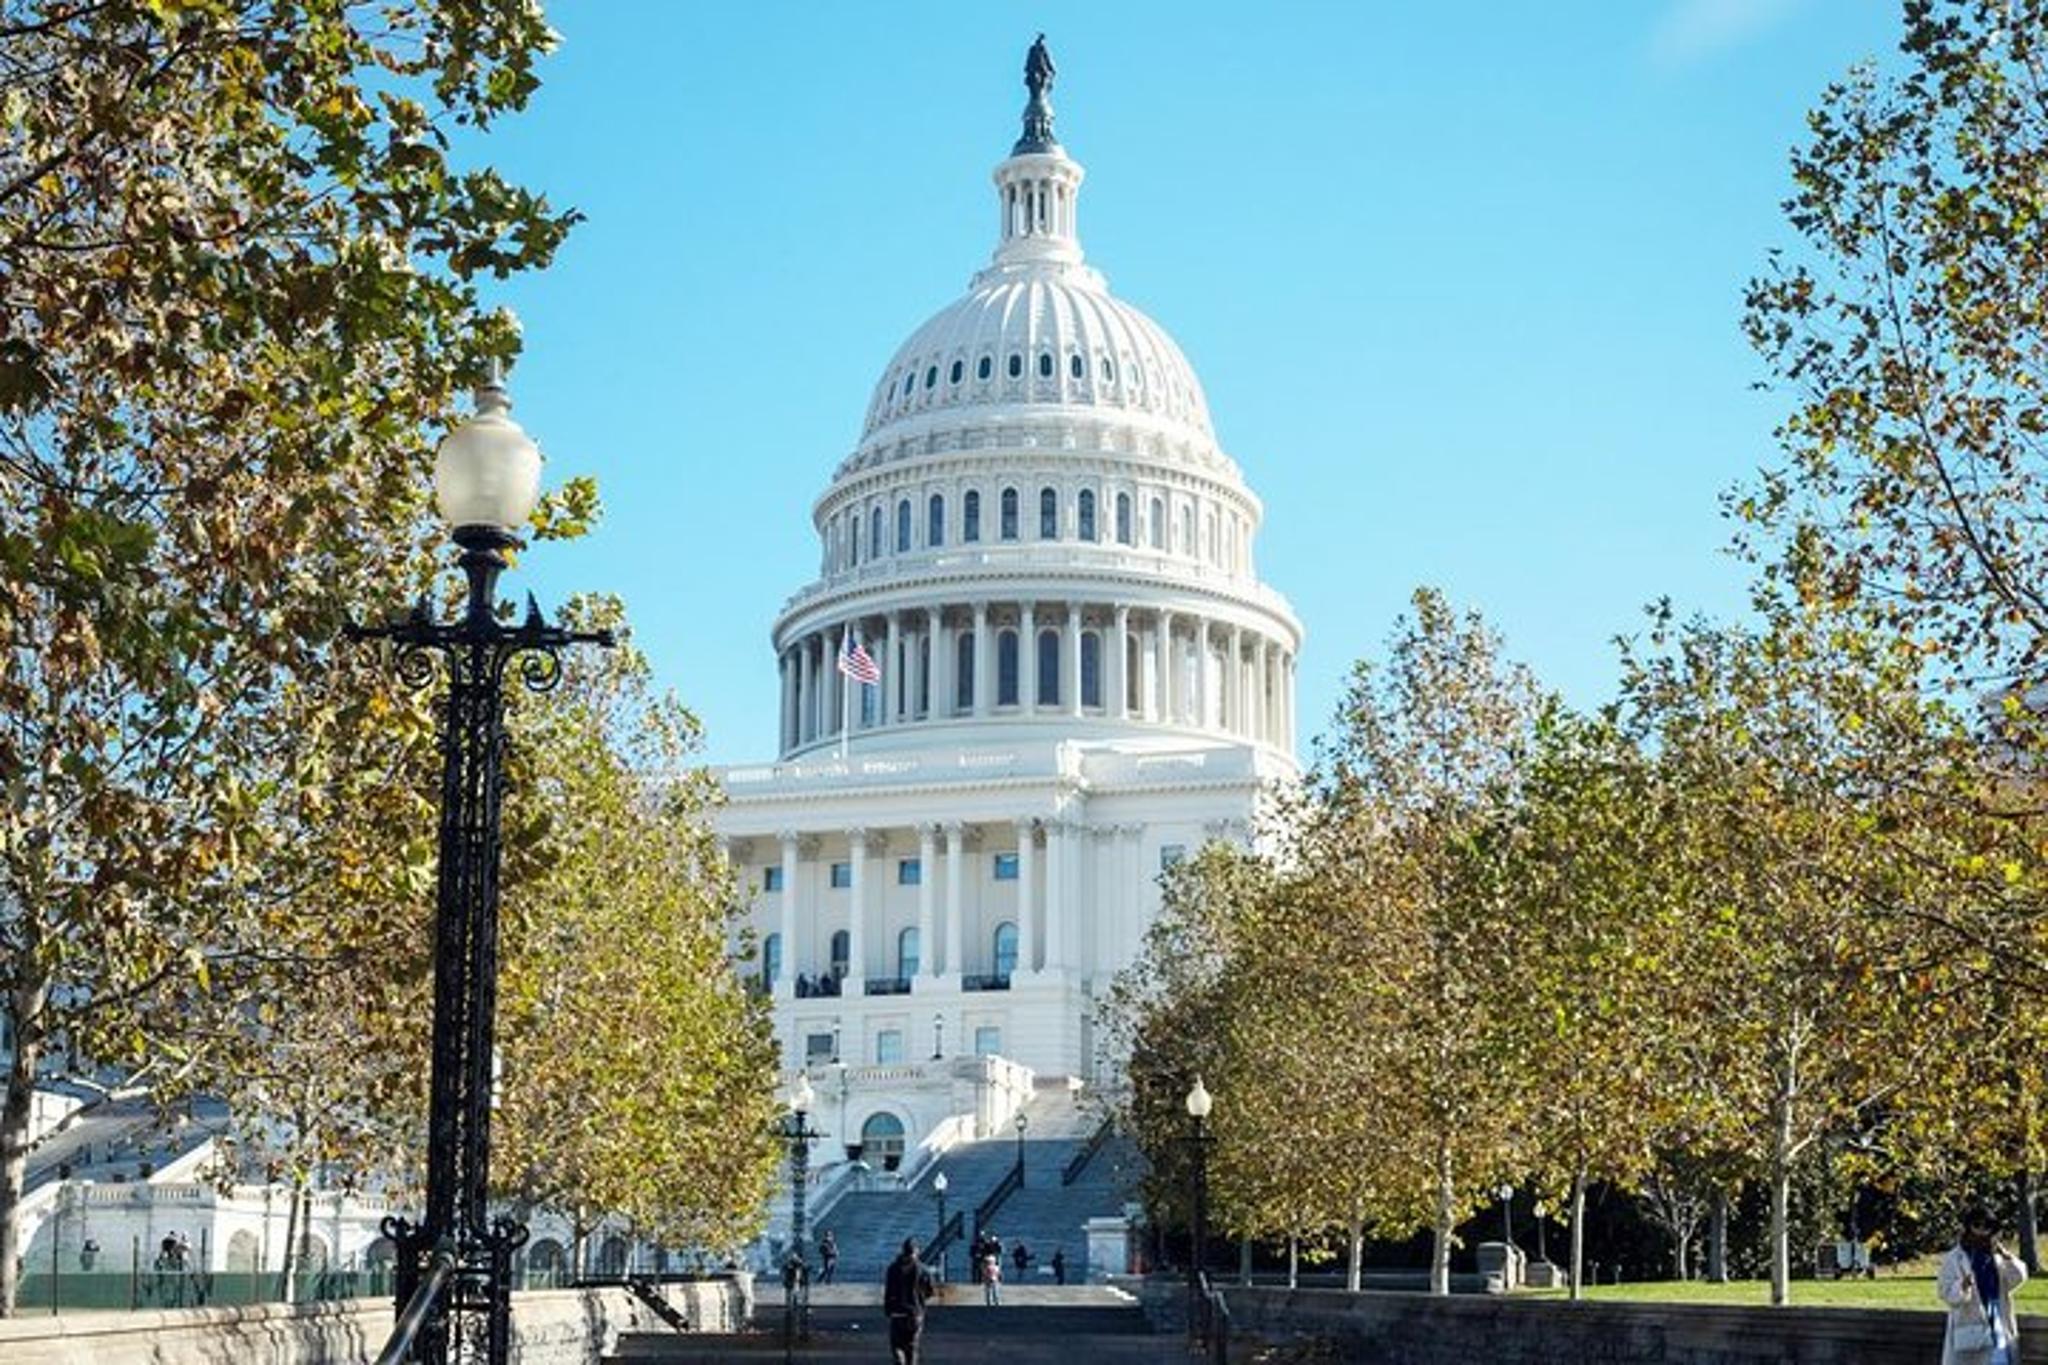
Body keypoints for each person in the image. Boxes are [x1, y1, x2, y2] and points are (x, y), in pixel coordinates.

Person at [1938, 1205, 2028, 1365]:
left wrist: (2008, 1257)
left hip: (1998, 1314)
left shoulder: (1997, 1254)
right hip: (1969, 1318)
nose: (1981, 1230)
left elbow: (2018, 1278)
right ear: (1968, 1226)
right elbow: (1944, 1292)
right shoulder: (1954, 1257)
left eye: (1987, 1226)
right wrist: (1962, 1286)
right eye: (1977, 1225)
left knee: (2000, 1359)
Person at [883, 1237, 936, 1365]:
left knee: (896, 1345)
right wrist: (920, 1298)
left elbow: (888, 1292)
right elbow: (930, 1291)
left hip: (897, 1312)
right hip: (915, 1313)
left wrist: (888, 1309)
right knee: (912, 1346)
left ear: (903, 1250)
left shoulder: (893, 1268)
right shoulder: (923, 1269)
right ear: (916, 1250)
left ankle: (899, 1361)